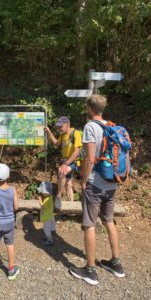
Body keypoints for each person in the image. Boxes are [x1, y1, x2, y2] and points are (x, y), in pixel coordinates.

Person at [69, 94, 125, 285]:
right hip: (112, 182)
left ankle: (90, 270)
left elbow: (90, 159)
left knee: (89, 224)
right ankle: (116, 264)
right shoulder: (111, 125)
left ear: (89, 108)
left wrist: (84, 180)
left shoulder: (90, 127)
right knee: (109, 221)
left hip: (95, 183)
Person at [45, 116, 82, 209]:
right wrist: (50, 133)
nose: (59, 128)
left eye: (61, 126)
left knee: (61, 171)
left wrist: (65, 164)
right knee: (68, 184)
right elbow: (57, 143)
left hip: (74, 161)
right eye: (58, 126)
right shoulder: (63, 135)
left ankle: (58, 196)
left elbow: (77, 151)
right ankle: (72, 206)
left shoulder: (75, 133)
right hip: (66, 161)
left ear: (68, 125)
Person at [37, 181, 56, 246]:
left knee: (46, 228)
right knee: (47, 227)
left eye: (42, 192)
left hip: (47, 217)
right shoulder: (50, 197)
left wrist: (39, 200)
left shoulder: (47, 200)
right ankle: (46, 236)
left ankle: (50, 240)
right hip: (50, 215)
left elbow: (42, 207)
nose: (41, 193)